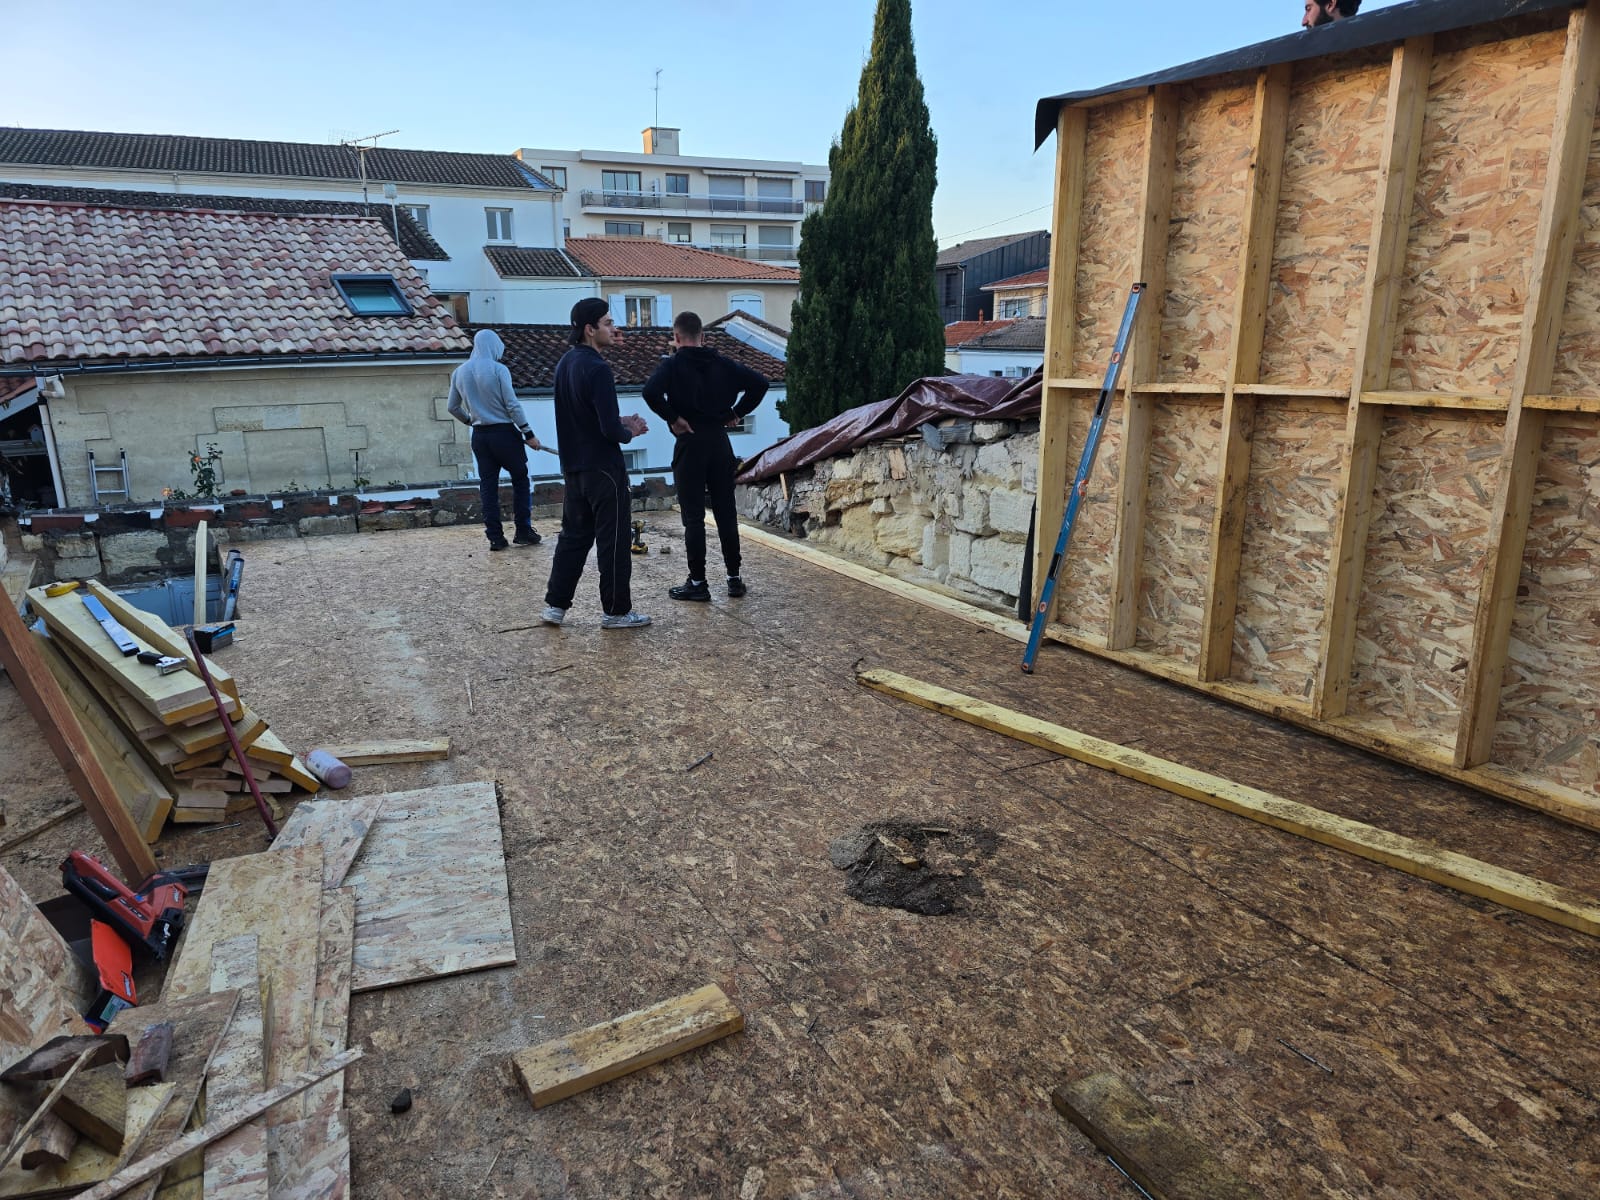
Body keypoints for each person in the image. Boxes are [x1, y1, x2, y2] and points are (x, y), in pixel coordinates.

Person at [541, 299, 653, 630]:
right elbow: (609, 430)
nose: (612, 328)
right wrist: (629, 430)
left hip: (575, 469)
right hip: (605, 470)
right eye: (606, 323)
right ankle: (616, 612)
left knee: (572, 539)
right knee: (613, 541)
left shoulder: (565, 364)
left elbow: (585, 417)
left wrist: (617, 422)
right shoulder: (598, 368)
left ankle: (555, 606)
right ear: (590, 330)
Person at [642, 311, 769, 601]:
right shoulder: (723, 364)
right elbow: (760, 384)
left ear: (675, 338)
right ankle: (734, 579)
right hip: (719, 442)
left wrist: (673, 417)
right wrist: (736, 413)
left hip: (690, 442)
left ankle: (698, 582)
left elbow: (650, 392)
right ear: (703, 337)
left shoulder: (672, 367)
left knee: (694, 517)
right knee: (726, 513)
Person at [447, 328, 542, 551]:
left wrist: (470, 421)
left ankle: (495, 538)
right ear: (493, 345)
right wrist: (528, 434)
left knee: (488, 487)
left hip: (480, 437)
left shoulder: (459, 372)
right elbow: (512, 404)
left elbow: (452, 407)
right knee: (520, 479)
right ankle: (523, 531)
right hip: (505, 435)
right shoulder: (499, 370)